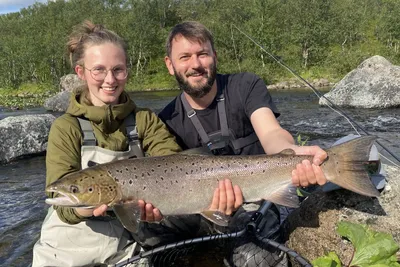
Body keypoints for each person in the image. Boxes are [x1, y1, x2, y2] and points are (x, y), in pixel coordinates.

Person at [32, 21, 243, 267]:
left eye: (118, 70)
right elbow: (60, 204)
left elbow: (177, 164)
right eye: (98, 70)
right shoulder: (66, 128)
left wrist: (160, 208)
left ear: (127, 71)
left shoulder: (144, 120)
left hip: (126, 246)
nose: (110, 80)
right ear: (81, 73)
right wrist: (86, 207)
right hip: (65, 249)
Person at [158, 21, 328, 267]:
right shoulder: (167, 118)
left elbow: (271, 133)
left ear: (214, 57)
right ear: (169, 65)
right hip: (201, 210)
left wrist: (294, 154)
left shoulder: (245, 86)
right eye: (184, 57)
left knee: (253, 261)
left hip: (257, 201)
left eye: (202, 54)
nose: (195, 64)